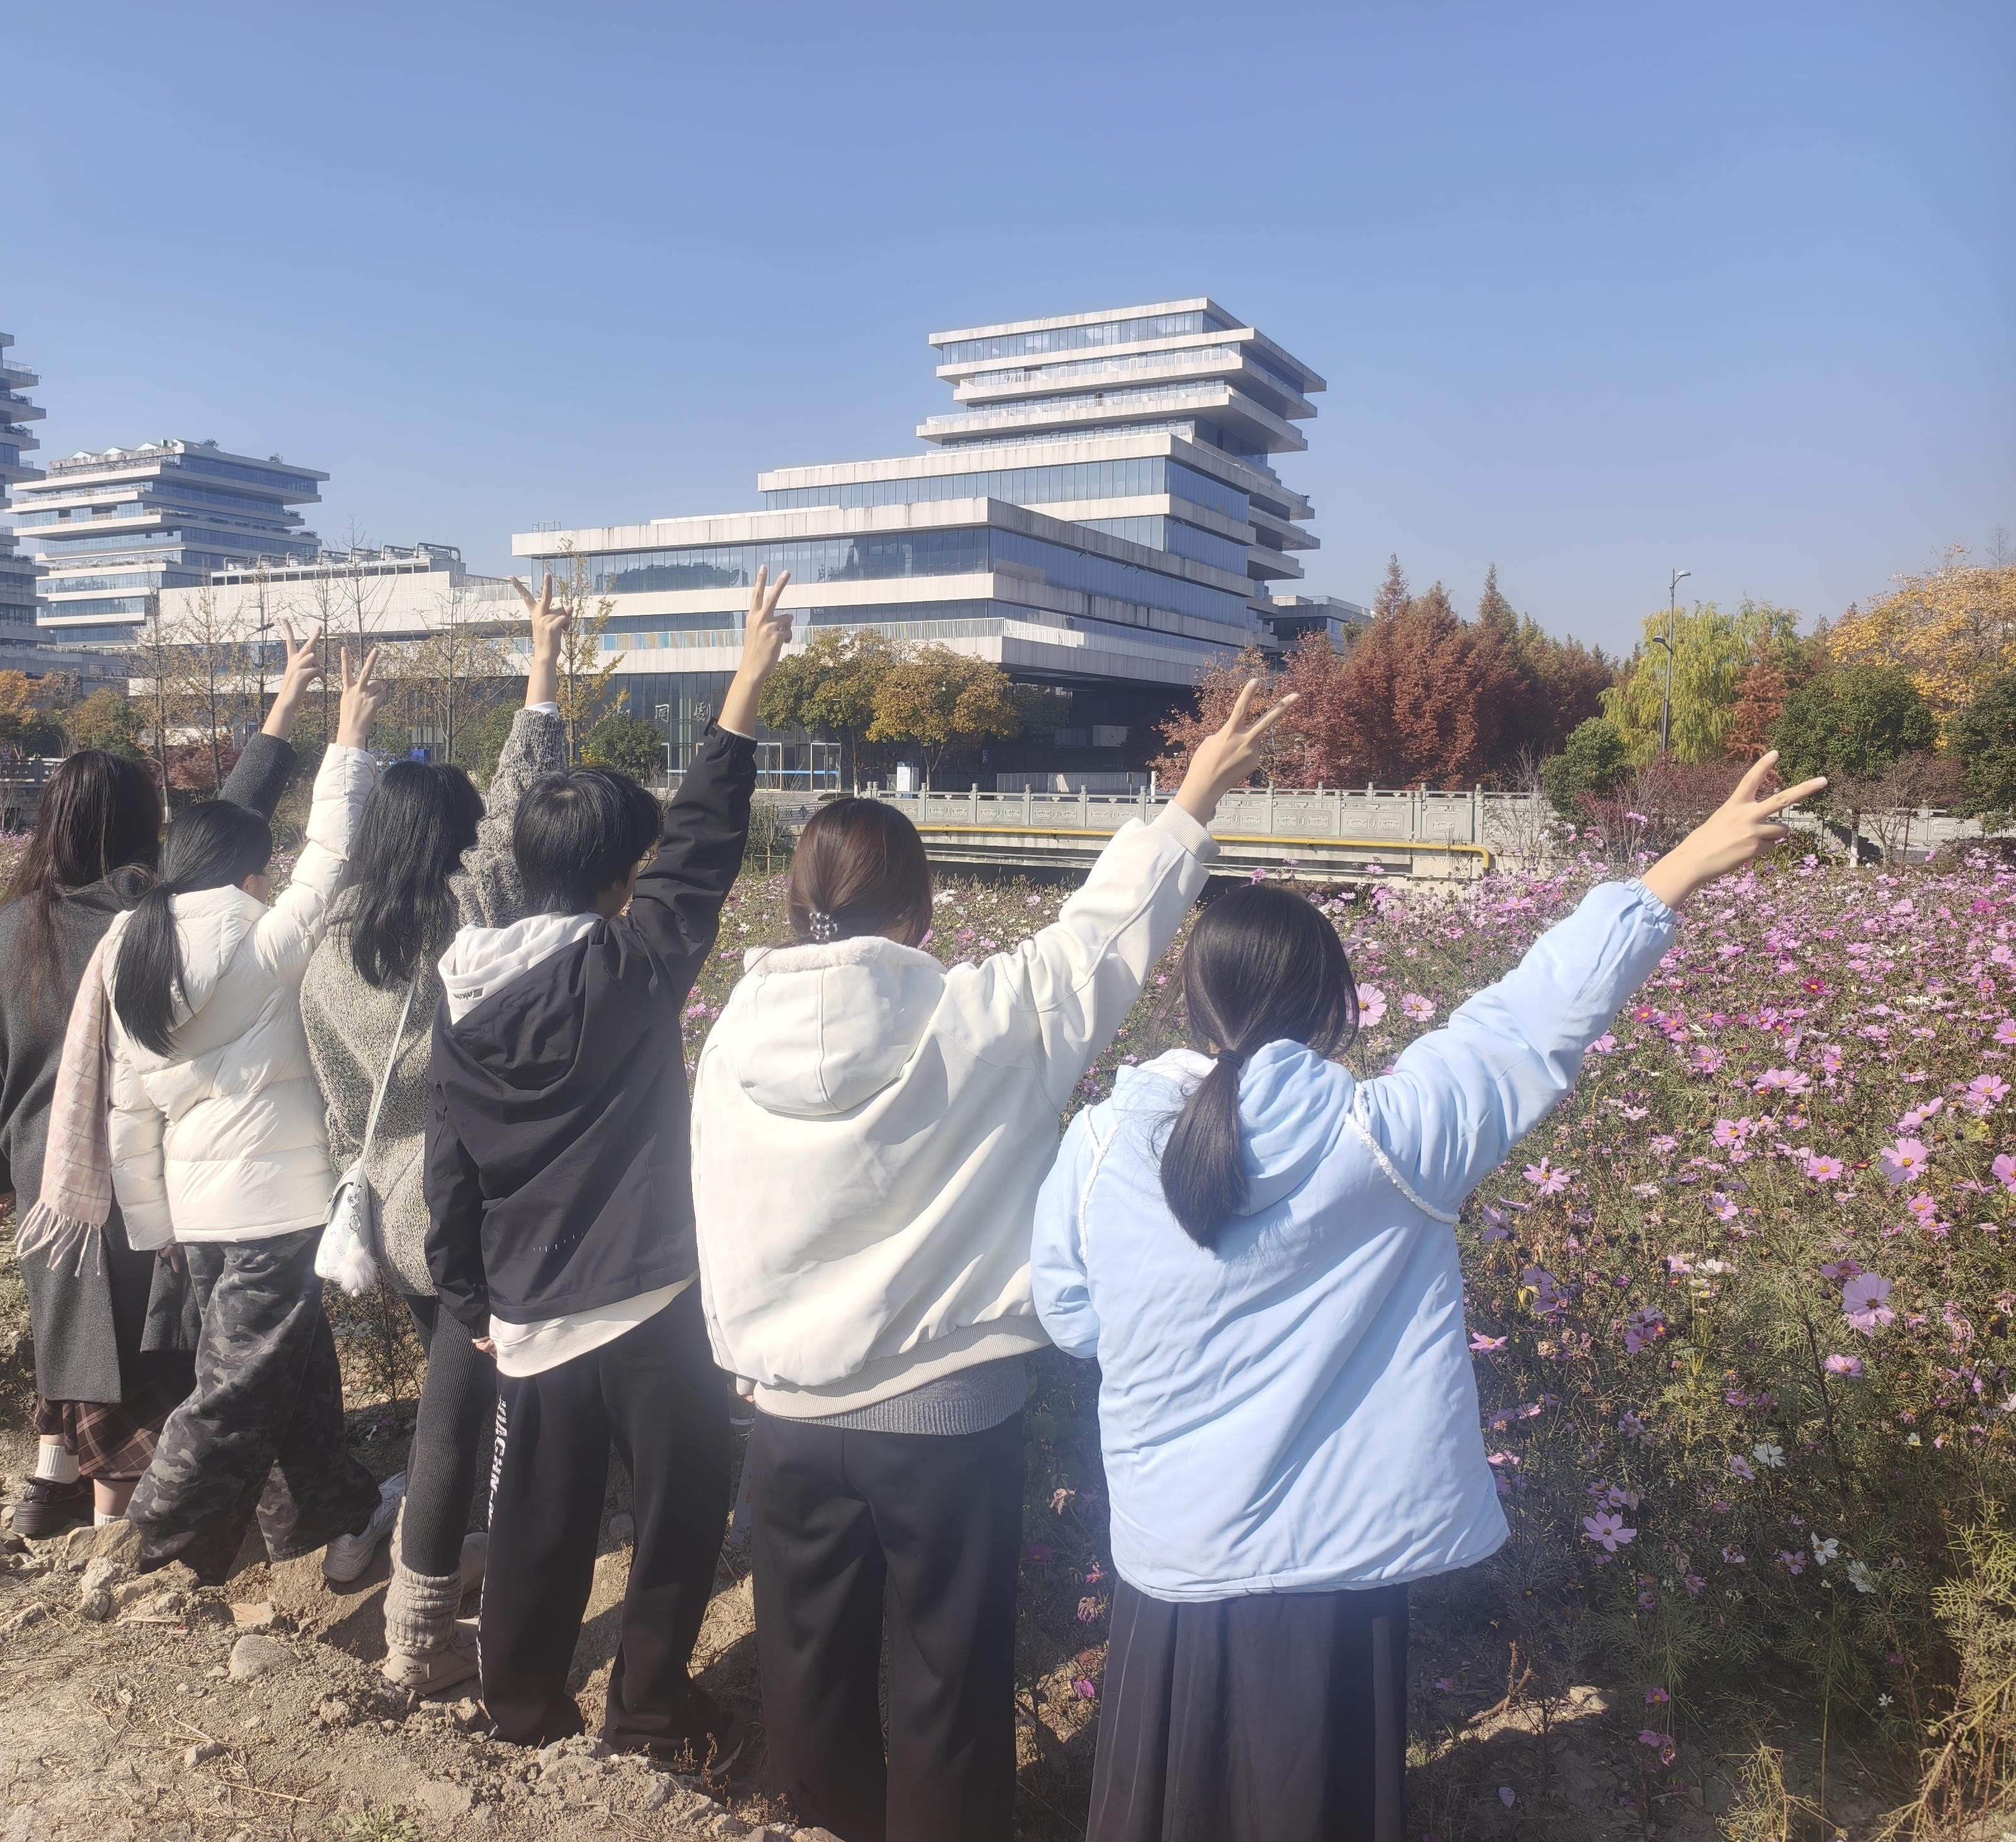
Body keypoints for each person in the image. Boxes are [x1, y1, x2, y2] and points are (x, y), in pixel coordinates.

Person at [1030, 753, 1825, 1842]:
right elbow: (1525, 1024)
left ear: (1193, 999)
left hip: (1172, 1562)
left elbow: (1073, 1321)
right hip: (1338, 1572)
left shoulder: (1101, 1143)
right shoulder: (1392, 1141)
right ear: (1337, 1009)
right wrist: (1676, 869)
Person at [690, 683, 1292, 1842]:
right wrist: (1192, 799)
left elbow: (715, 1194)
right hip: (947, 1413)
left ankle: (821, 1824)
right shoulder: (989, 1016)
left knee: (804, 1664)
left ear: (799, 907)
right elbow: (1103, 934)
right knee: (948, 1678)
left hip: (790, 1410)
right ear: (923, 914)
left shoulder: (732, 1038)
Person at [423, 569, 792, 1757]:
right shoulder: (627, 973)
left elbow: (450, 1171)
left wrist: (469, 1298)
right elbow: (704, 854)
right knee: (682, 1509)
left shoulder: (460, 1002)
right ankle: (644, 1709)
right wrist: (743, 691)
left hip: (530, 1311)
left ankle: (524, 1709)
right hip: (646, 1297)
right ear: (620, 878)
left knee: (538, 1523)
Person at [0, 628, 325, 1535]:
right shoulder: (148, 911)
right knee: (144, 1352)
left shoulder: (8, 930)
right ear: (143, 824)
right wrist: (284, 706)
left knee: (70, 1331)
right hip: (134, 1168)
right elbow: (235, 816)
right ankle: (116, 1530)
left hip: (50, 1173)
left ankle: (47, 1486)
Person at [304, 575, 574, 1693]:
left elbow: (334, 1098)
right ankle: (418, 1632)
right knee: (453, 1416)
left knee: (456, 1388)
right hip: (465, 1212)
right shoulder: (465, 921)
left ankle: (450, 1543)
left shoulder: (330, 940)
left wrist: (345, 736)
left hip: (382, 1208)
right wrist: (542, 669)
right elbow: (519, 811)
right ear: (452, 840)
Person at [101, 649, 400, 1584]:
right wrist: (349, 736)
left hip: (198, 1216)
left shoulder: (130, 951)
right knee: (233, 1391)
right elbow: (331, 853)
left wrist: (156, 1225)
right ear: (245, 870)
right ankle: (151, 1550)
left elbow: (128, 1108)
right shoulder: (263, 943)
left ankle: (329, 1519)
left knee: (296, 1376)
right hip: (275, 1210)